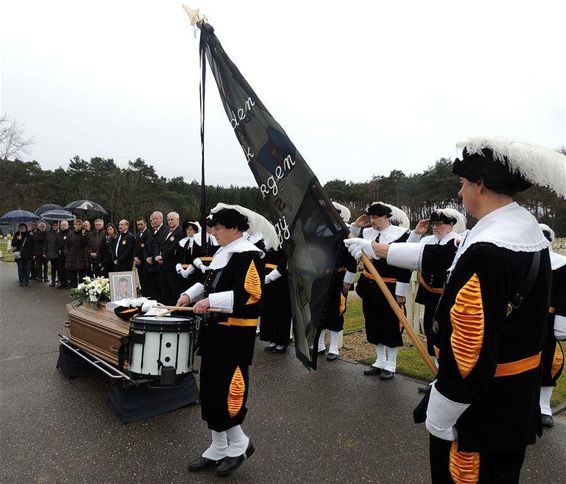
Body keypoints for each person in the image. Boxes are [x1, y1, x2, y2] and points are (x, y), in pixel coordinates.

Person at [346, 137, 563, 483]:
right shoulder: (521, 236)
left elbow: (469, 348)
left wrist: (443, 410)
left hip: (477, 404)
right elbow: (442, 258)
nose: (460, 194)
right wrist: (374, 249)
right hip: (512, 399)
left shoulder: (489, 249)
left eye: (462, 184)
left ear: (480, 184)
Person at [177, 207, 265, 477]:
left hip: (235, 334)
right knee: (211, 390)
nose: (213, 234)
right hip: (216, 332)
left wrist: (210, 302)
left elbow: (250, 296)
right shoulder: (223, 252)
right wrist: (189, 296)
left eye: (217, 229)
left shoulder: (249, 254)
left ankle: (239, 444)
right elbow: (208, 283)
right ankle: (218, 446)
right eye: (213, 229)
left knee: (229, 390)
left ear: (234, 229)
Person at [349, 202, 411, 379]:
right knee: (373, 322)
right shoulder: (366, 233)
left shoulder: (401, 235)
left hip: (390, 286)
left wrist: (401, 292)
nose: (373, 221)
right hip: (369, 285)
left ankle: (391, 364)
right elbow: (347, 240)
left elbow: (405, 265)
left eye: (376, 217)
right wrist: (356, 226)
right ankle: (380, 361)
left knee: (390, 324)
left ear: (386, 217)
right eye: (370, 217)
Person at [407, 209, 466, 390]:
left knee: (447, 335)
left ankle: (446, 377)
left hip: (449, 297)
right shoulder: (427, 240)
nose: (436, 227)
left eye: (440, 224)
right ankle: (438, 376)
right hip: (430, 293)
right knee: (431, 333)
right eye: (434, 224)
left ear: (451, 225)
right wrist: (417, 232)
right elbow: (409, 250)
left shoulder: (459, 240)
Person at [317, 201, 357, 361]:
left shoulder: (346, 233)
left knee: (336, 312)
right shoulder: (319, 232)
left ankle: (333, 347)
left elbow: (353, 261)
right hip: (321, 276)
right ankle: (319, 344)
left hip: (339, 277)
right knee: (319, 311)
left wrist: (347, 282)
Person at [538, 224, 565, 428]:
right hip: (519, 319)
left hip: (547, 320)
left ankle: (543, 406)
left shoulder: (561, 264)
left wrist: (561, 325)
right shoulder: (520, 260)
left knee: (547, 360)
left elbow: (564, 298)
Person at [259, 246, 292, 353]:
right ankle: (272, 339)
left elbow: (285, 262)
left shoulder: (288, 243)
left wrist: (270, 277)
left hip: (282, 280)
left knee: (281, 311)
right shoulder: (270, 242)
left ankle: (282, 342)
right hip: (267, 278)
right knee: (270, 310)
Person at [155, 212, 183, 306]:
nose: (170, 221)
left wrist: (162, 256)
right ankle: (166, 309)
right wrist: (157, 256)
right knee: (164, 290)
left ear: (178, 220)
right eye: (169, 220)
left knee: (173, 291)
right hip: (162, 266)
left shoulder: (181, 232)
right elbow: (158, 244)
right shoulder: (166, 231)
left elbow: (174, 247)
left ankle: (174, 311)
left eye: (172, 219)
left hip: (172, 266)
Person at [175, 220, 204, 294]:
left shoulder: (199, 242)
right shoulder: (182, 242)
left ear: (195, 230)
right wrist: (180, 269)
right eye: (187, 229)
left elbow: (198, 257)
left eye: (190, 229)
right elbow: (177, 257)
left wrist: (189, 270)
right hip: (182, 273)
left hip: (195, 273)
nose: (188, 231)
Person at [144, 211, 167, 301]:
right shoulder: (151, 232)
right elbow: (146, 247)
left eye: (156, 219)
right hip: (150, 267)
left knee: (161, 292)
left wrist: (153, 258)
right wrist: (146, 257)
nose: (153, 221)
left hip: (160, 267)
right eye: (152, 220)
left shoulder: (166, 230)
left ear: (161, 219)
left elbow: (163, 247)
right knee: (153, 291)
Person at [64, 219, 89, 288]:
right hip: (72, 258)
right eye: (76, 224)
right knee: (72, 276)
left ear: (82, 225)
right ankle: (73, 288)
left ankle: (81, 290)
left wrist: (84, 234)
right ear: (74, 225)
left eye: (79, 224)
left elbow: (86, 243)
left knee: (81, 277)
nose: (78, 226)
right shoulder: (70, 234)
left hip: (81, 259)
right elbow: (67, 244)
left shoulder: (84, 234)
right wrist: (66, 252)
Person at [133, 217, 150, 296]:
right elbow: (135, 248)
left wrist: (140, 259)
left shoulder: (149, 233)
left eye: (141, 224)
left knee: (147, 283)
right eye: (138, 225)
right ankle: (144, 296)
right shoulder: (137, 235)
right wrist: (135, 257)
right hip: (138, 263)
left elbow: (146, 249)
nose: (139, 226)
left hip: (145, 263)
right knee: (142, 282)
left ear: (145, 224)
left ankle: (147, 297)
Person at [44, 221, 60, 287]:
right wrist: (44, 252)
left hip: (58, 253)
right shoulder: (48, 233)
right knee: (53, 268)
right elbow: (45, 243)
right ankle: (53, 281)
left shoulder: (59, 233)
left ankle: (59, 281)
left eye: (56, 225)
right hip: (50, 253)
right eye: (54, 225)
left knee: (59, 268)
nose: (55, 226)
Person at [56, 220, 70, 288]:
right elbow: (56, 244)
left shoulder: (70, 233)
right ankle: (62, 283)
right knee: (61, 270)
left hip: (68, 256)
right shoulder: (58, 234)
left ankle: (68, 283)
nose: (62, 226)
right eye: (61, 225)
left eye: (64, 225)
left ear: (67, 225)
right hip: (60, 256)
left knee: (67, 270)